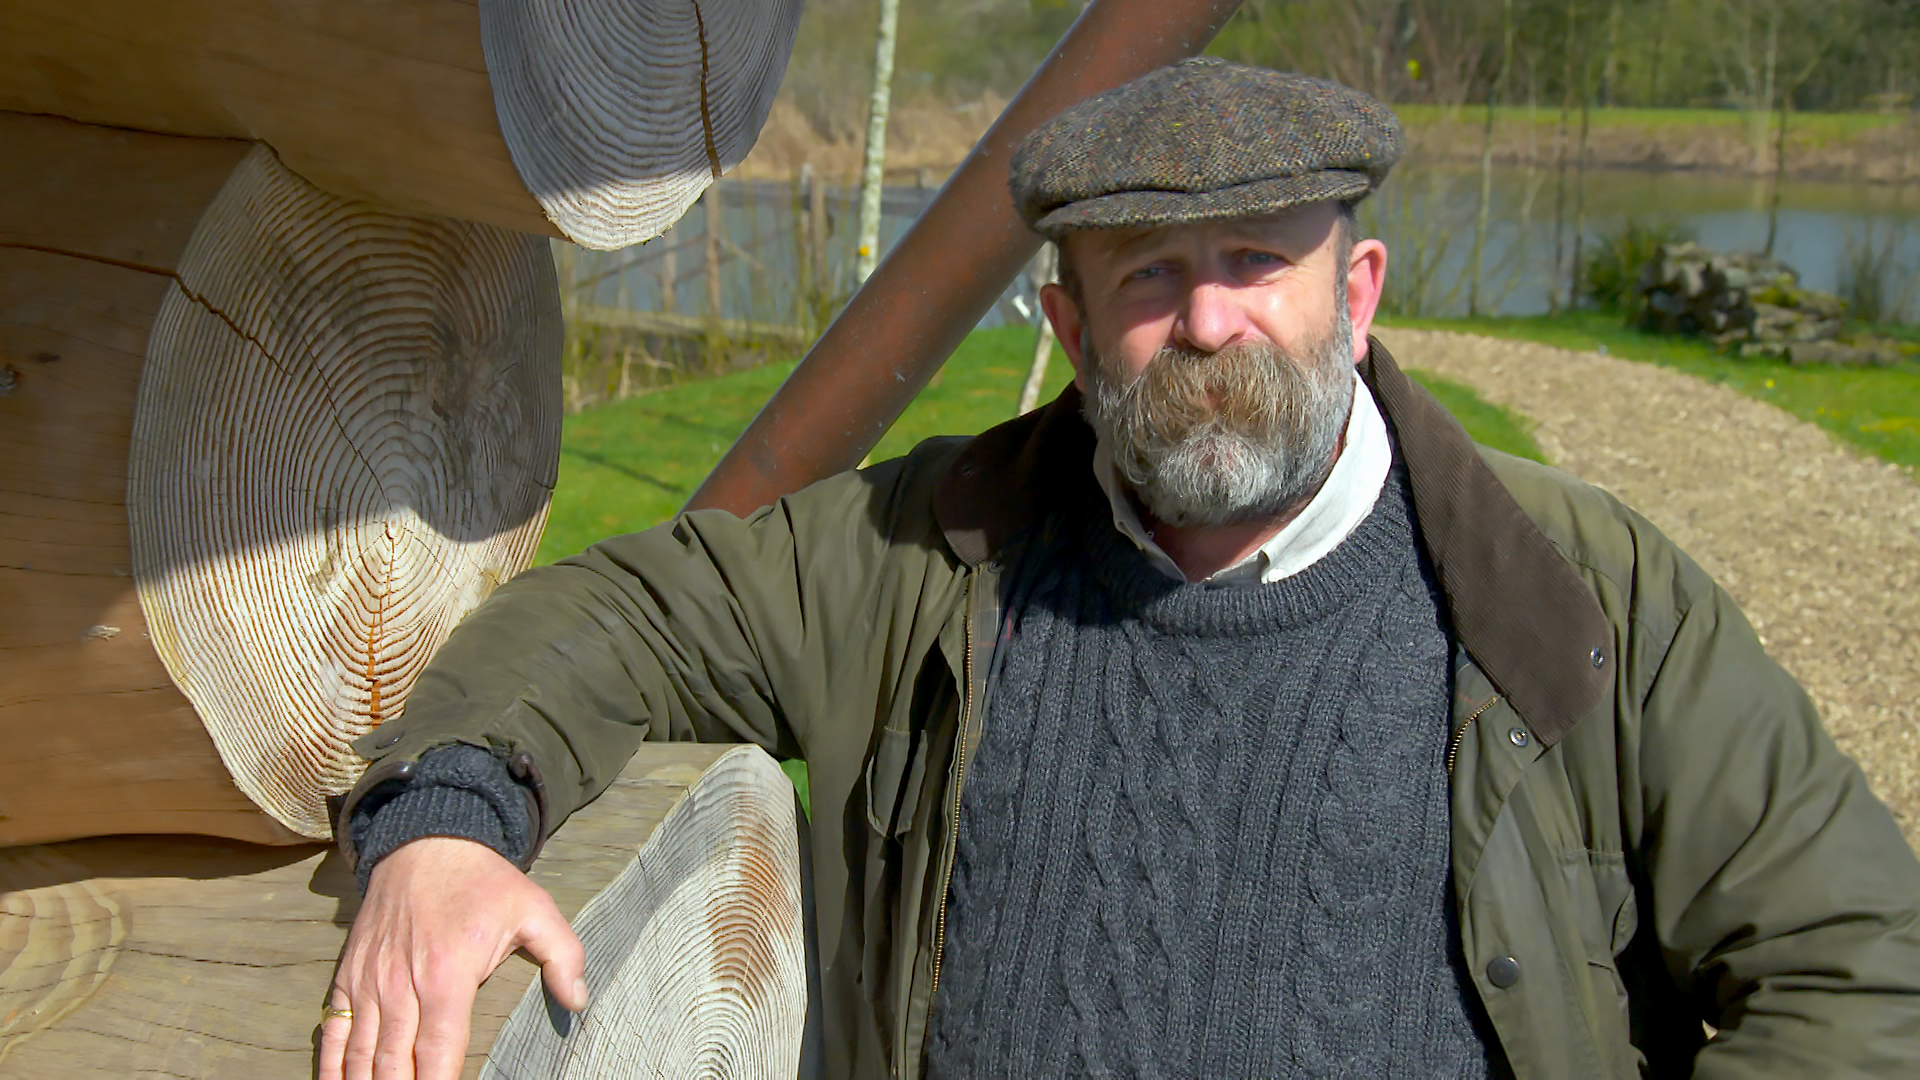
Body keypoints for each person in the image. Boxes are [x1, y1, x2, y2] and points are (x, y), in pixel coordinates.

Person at [317, 59, 1920, 1080]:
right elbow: (629, 608)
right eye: (1149, 276)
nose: (1210, 322)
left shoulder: (1581, 594)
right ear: (1071, 328)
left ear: (1355, 290)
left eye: (1255, 264)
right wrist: (448, 825)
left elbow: (1863, 966)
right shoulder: (920, 555)